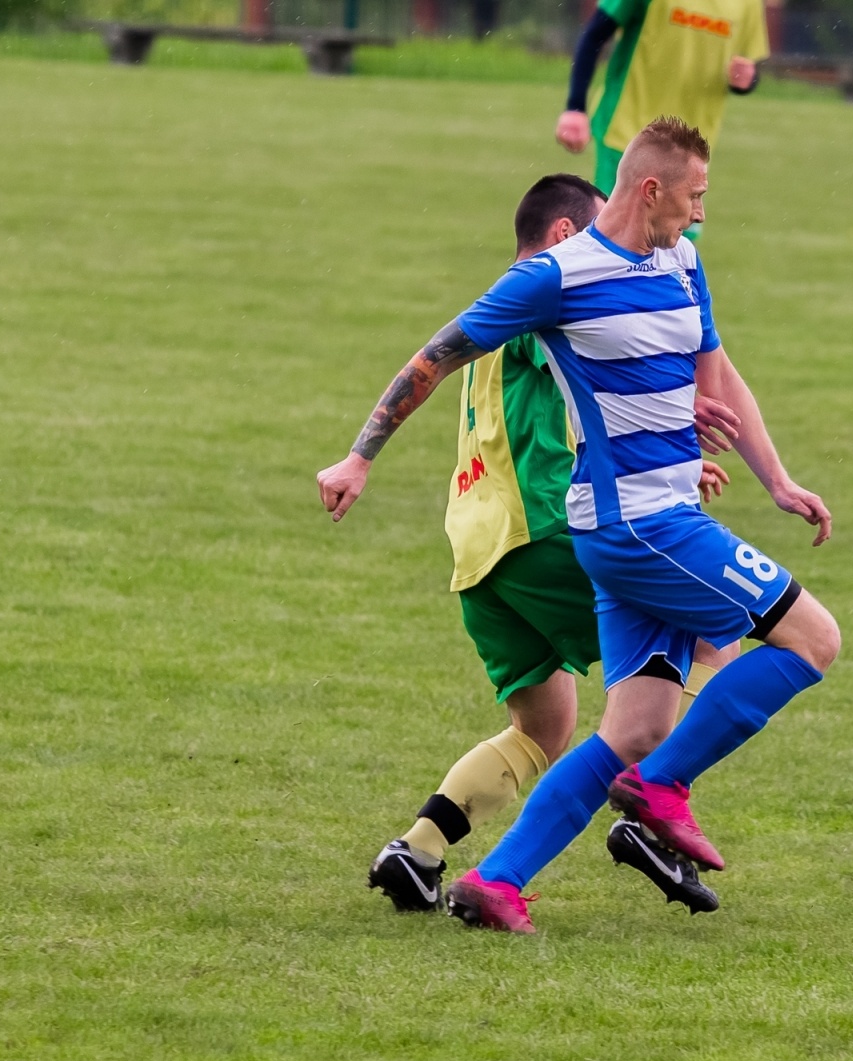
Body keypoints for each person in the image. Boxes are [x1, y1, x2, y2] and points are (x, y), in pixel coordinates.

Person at [436, 116, 841, 934]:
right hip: (640, 528)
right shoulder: (563, 274)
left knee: (635, 727)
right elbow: (437, 352)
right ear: (651, 187)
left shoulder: (684, 262)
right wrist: (357, 457)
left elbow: (718, 377)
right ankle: (662, 789)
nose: (700, 215)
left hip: (646, 521)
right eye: (694, 197)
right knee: (812, 638)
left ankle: (497, 879)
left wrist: (779, 478)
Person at [316, 173, 743, 917]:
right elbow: (602, 387)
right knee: (713, 634)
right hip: (547, 530)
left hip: (479, 557)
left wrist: (360, 456)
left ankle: (419, 850)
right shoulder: (555, 293)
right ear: (563, 235)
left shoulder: (502, 304)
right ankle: (648, 817)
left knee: (544, 727)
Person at [555, 0, 770, 199]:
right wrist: (575, 107)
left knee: (677, 238)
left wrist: (747, 80)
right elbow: (595, 34)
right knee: (617, 234)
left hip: (692, 147)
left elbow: (746, 67)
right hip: (628, 133)